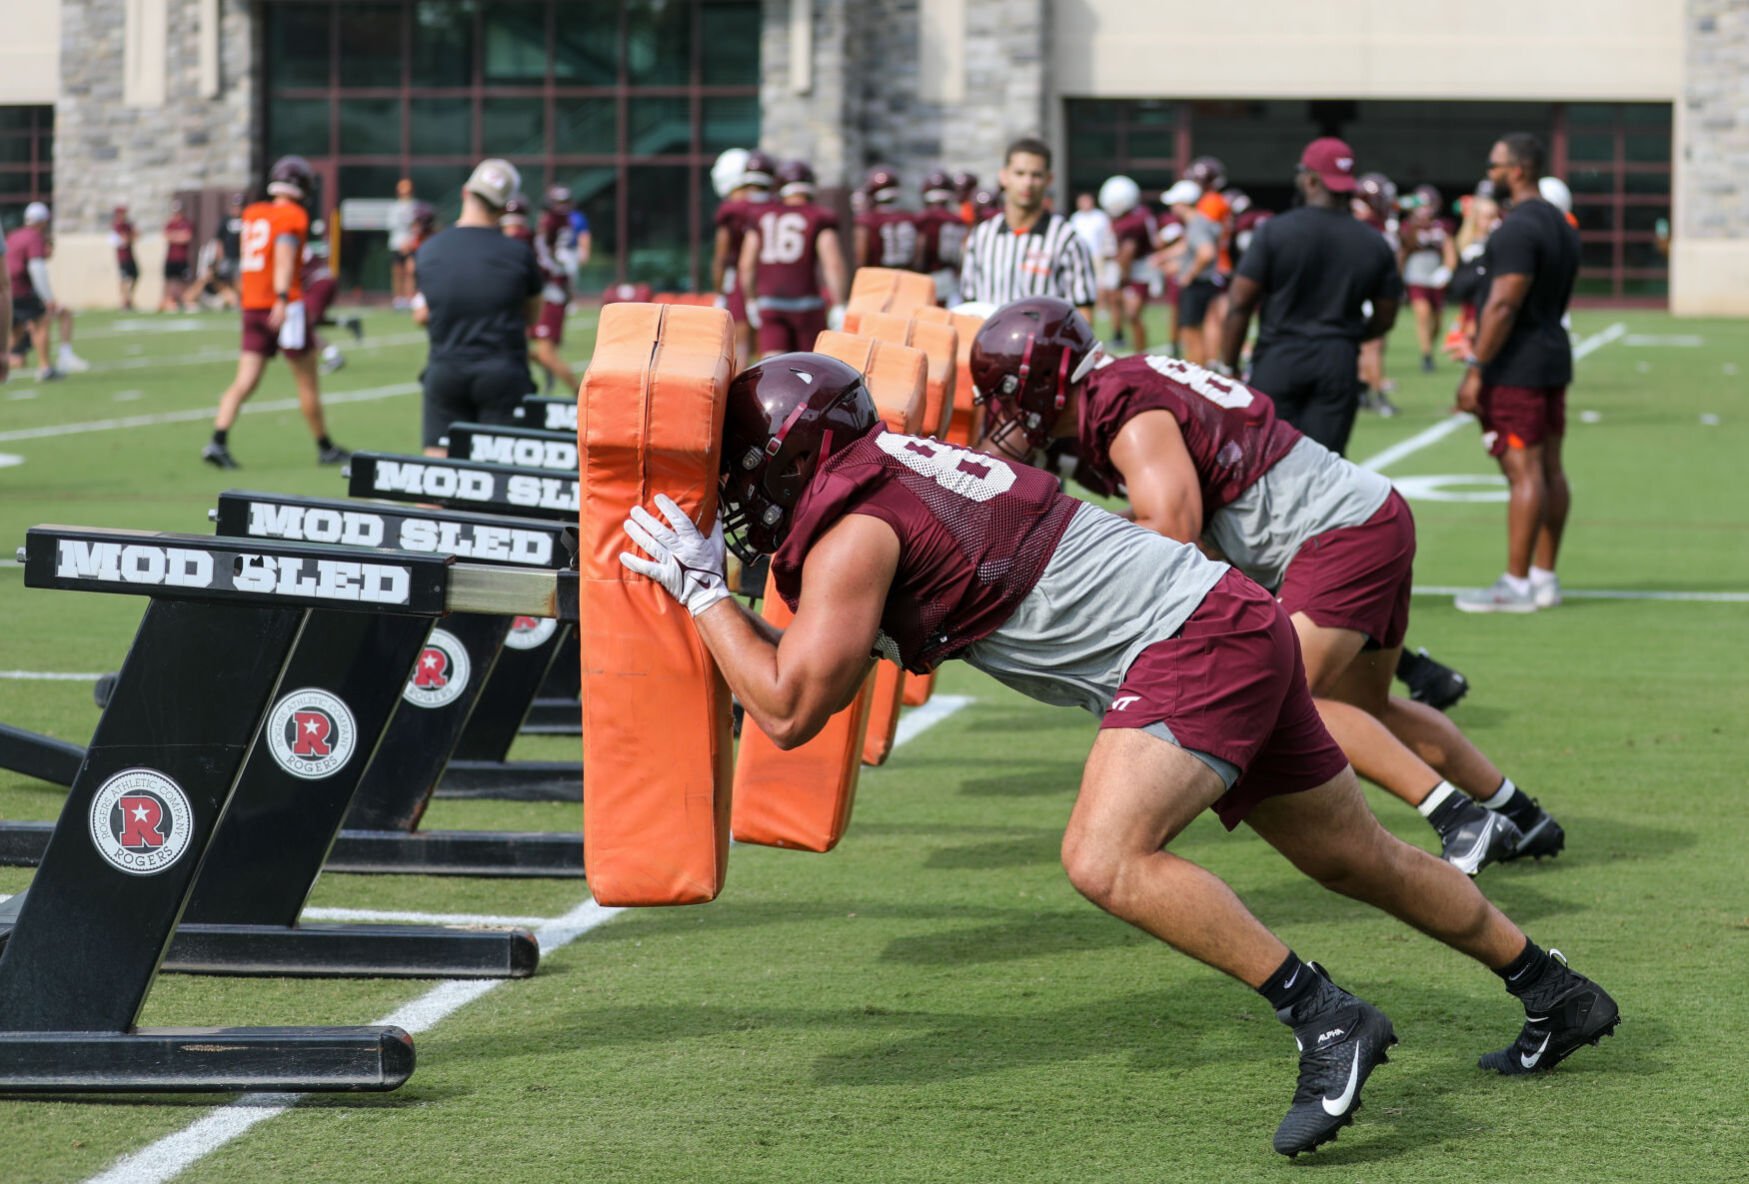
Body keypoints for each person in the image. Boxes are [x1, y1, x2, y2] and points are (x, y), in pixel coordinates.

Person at [618, 351, 1619, 1158]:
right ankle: (1554, 986)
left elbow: (791, 707)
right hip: (1231, 616)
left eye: (743, 471)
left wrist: (705, 594)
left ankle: (1326, 1015)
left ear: (792, 456)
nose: (738, 496)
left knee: (1106, 856)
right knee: (1357, 857)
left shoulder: (855, 531)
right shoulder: (898, 468)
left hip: (1191, 640)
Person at [969, 297, 1565, 871]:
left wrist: (1080, 539)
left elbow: (1172, 528)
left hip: (1337, 534)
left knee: (1290, 698)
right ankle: (1519, 812)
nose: (1005, 415)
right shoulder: (1120, 384)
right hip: (1364, 516)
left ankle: (1462, 819)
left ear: (1047, 379)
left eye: (1006, 396)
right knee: (1367, 707)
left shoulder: (1123, 404)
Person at [1453, 133, 1581, 614]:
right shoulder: (1562, 224)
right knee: (1550, 468)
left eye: (1496, 164)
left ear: (1520, 169)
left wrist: (1476, 368)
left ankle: (1517, 583)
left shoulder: (1519, 228)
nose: (1491, 172)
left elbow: (1504, 302)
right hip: (1551, 353)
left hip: (1518, 363)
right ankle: (1544, 578)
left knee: (1523, 472)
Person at [1218, 137, 1399, 458]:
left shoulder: (1274, 231)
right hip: (1338, 360)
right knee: (1325, 469)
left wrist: (1229, 364)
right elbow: (1386, 316)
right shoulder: (1374, 242)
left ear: (1310, 179)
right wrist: (1351, 336)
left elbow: (1240, 303)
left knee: (1267, 466)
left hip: (1279, 358)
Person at [202, 156, 347, 469]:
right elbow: (283, 255)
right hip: (283, 307)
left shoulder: (254, 213)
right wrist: (282, 296)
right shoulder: (292, 215)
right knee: (307, 381)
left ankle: (218, 440)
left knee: (244, 381)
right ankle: (325, 447)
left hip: (252, 305)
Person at [409, 158, 542, 457]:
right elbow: (531, 316)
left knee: (435, 481)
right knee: (501, 482)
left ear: (465, 192)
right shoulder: (519, 253)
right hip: (502, 374)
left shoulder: (428, 251)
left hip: (445, 370)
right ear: (505, 207)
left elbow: (424, 312)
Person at [958, 137, 1097, 317]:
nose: (1027, 183)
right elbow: (969, 307)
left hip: (1043, 343)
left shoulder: (1067, 240)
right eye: (1020, 173)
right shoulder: (981, 237)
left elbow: (1083, 312)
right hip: (989, 343)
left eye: (1036, 175)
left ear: (1049, 179)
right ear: (1004, 176)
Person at [737, 159, 849, 359]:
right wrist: (839, 304)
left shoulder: (761, 215)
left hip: (771, 302)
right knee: (808, 369)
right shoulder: (817, 216)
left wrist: (751, 299)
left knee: (771, 366)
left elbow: (746, 264)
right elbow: (833, 264)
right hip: (807, 305)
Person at [711, 148, 776, 367]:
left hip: (743, 278)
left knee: (741, 345)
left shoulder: (733, 209)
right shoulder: (779, 205)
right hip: (776, 279)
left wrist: (719, 291)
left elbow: (722, 255)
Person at [529, 185, 581, 396]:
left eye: (564, 203)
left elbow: (547, 260)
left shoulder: (553, 223)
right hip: (550, 292)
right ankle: (547, 368)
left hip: (551, 294)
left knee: (546, 354)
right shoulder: (562, 223)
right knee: (513, 346)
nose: (562, 207)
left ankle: (580, 393)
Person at [1400, 184, 1457, 373]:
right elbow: (1405, 249)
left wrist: (1447, 270)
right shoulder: (1409, 226)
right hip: (1416, 273)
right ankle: (1426, 355)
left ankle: (1429, 349)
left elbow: (1450, 249)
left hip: (1435, 272)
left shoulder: (1442, 226)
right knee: (1423, 313)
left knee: (1438, 320)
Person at [1099, 176, 1155, 351]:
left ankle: (1141, 353)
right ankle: (1122, 338)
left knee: (1132, 314)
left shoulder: (1132, 222)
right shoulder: (1137, 215)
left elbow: (1128, 253)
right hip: (1131, 269)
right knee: (1119, 304)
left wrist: (1124, 276)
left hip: (1138, 270)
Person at [301, 219, 364, 375]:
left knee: (304, 326)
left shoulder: (288, 244)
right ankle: (347, 322)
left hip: (318, 283)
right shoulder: (295, 242)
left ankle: (333, 356)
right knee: (314, 320)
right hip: (326, 280)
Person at [6, 202, 58, 383]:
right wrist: (48, 297)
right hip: (20, 288)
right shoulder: (34, 237)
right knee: (41, 322)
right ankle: (45, 368)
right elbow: (37, 268)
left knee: (16, 331)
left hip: (6, 288)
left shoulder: (14, 235)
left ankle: (9, 362)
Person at [1069, 190, 1118, 344]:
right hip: (1080, 256)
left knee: (1100, 283)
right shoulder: (1076, 218)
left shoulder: (1100, 217)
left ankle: (1101, 308)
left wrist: (1108, 251)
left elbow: (1107, 235)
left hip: (1097, 254)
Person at [916, 169, 969, 306]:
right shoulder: (959, 221)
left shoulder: (924, 219)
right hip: (953, 279)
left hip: (928, 276)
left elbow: (920, 250)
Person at [159, 199, 195, 313]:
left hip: (182, 258)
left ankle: (182, 301)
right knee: (170, 282)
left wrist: (174, 236)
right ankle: (169, 302)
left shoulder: (187, 223)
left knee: (183, 282)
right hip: (171, 258)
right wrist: (177, 236)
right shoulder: (170, 223)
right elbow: (167, 236)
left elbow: (186, 237)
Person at [388, 178, 418, 310]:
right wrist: (402, 243)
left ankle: (409, 297)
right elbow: (392, 225)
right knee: (398, 272)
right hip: (397, 244)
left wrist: (410, 242)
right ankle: (398, 298)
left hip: (411, 244)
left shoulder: (415, 206)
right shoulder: (394, 207)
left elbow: (417, 227)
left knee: (410, 271)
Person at [111, 204, 139, 311]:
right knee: (124, 279)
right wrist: (130, 237)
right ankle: (124, 301)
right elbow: (125, 240)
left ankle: (128, 299)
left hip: (130, 255)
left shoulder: (127, 225)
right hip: (122, 257)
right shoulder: (117, 226)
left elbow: (135, 236)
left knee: (135, 276)